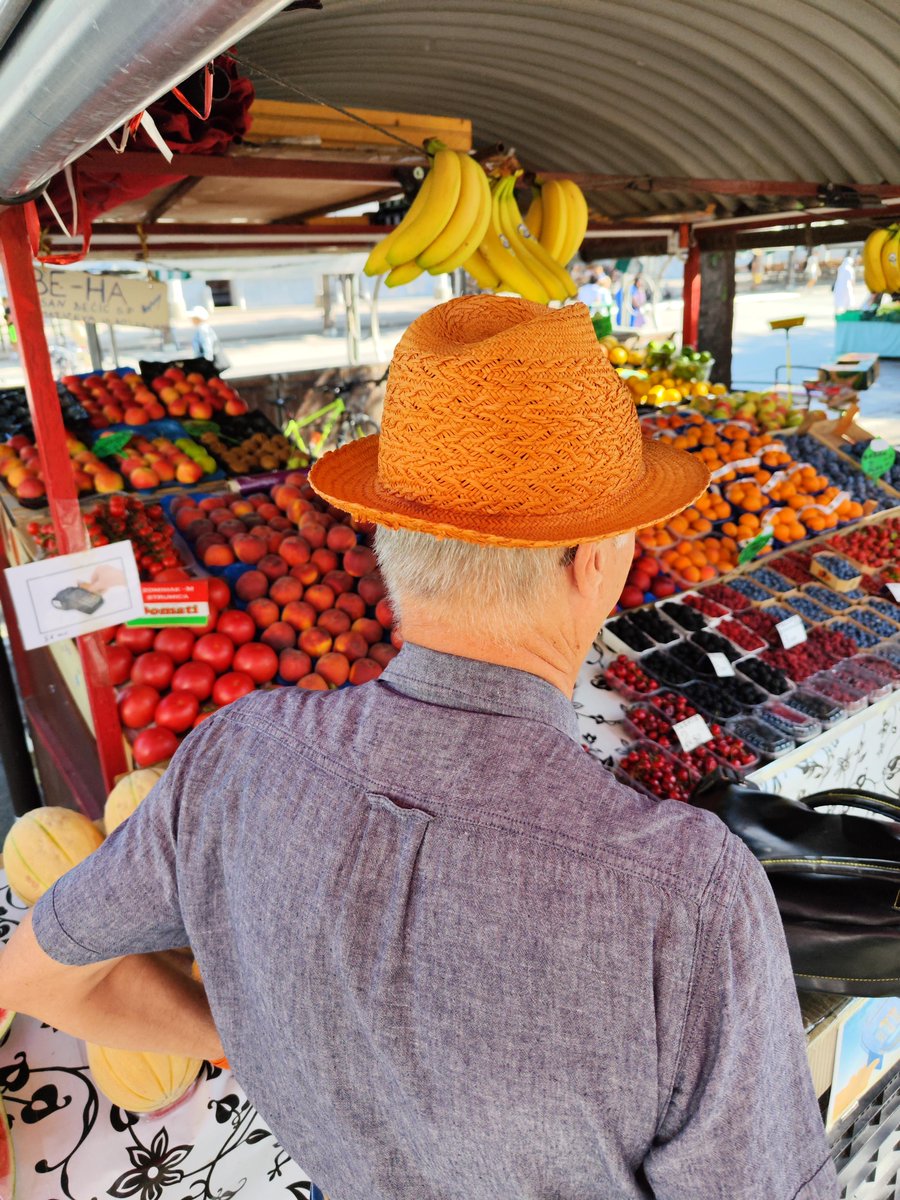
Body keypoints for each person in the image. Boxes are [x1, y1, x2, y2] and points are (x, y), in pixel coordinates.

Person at [0, 297, 838, 1200]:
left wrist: (255, 1029)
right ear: (594, 561)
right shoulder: (686, 895)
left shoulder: (231, 761)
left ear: (389, 543)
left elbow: (41, 979)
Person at [189, 304, 229, 369]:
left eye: (193, 318)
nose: (191, 320)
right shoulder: (203, 328)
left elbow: (207, 346)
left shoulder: (203, 329)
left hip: (206, 363)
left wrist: (206, 364)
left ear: (198, 318)